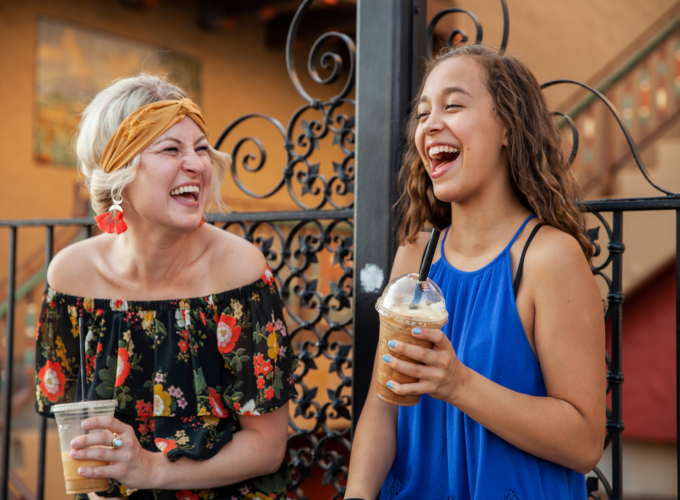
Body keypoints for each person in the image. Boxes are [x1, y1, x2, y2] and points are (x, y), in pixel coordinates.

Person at [344, 45, 605, 500]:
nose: (430, 124)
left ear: (507, 126)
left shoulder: (549, 258)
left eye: (453, 105)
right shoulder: (415, 258)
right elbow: (382, 409)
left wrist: (458, 384)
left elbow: (584, 442)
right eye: (423, 113)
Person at [35, 74, 297, 500]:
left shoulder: (240, 273)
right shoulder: (70, 280)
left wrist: (151, 469)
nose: (195, 163)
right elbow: (75, 432)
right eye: (172, 149)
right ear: (120, 171)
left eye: (200, 148)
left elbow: (267, 448)